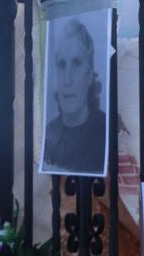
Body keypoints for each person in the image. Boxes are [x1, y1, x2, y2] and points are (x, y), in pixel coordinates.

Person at [42, 17, 107, 174]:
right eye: (62, 65)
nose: (67, 80)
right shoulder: (46, 136)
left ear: (90, 75)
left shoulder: (106, 130)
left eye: (77, 63)